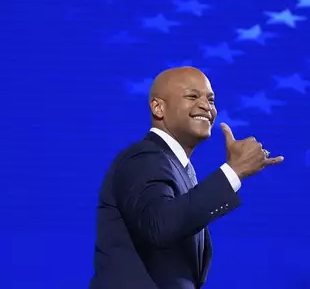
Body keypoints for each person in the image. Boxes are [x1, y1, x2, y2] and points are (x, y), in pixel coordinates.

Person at [90, 67, 283, 289]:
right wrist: (234, 171)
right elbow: (159, 225)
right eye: (192, 96)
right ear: (158, 107)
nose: (206, 106)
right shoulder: (143, 157)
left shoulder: (180, 168)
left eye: (211, 100)